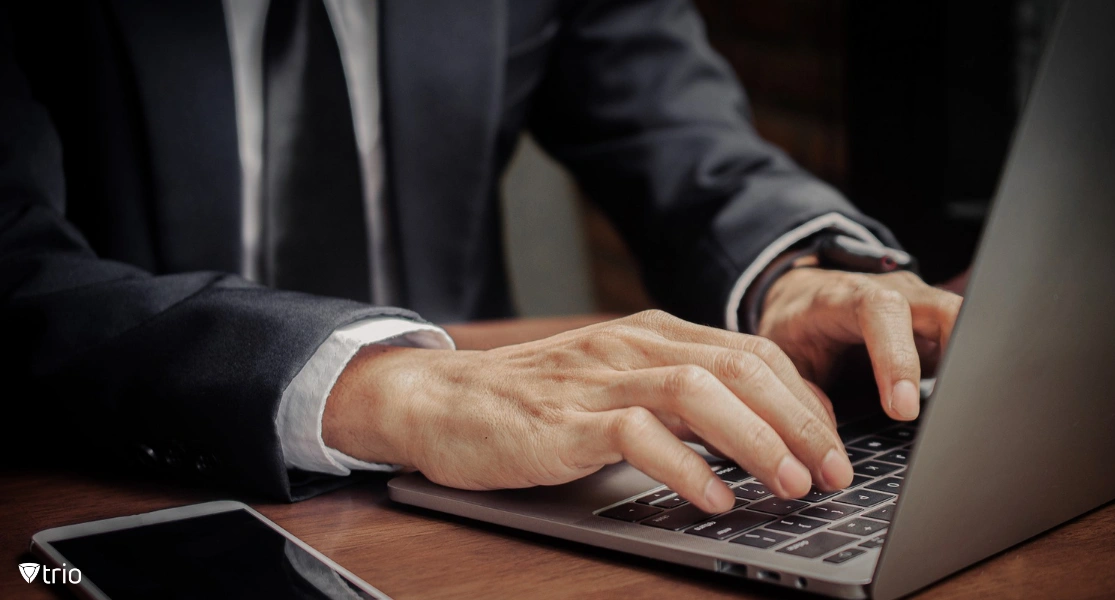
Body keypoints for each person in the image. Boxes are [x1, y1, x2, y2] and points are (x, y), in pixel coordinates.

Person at [0, 0, 961, 510]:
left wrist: (791, 278)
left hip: (493, 496)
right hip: (109, 493)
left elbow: (675, 128)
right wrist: (393, 387)